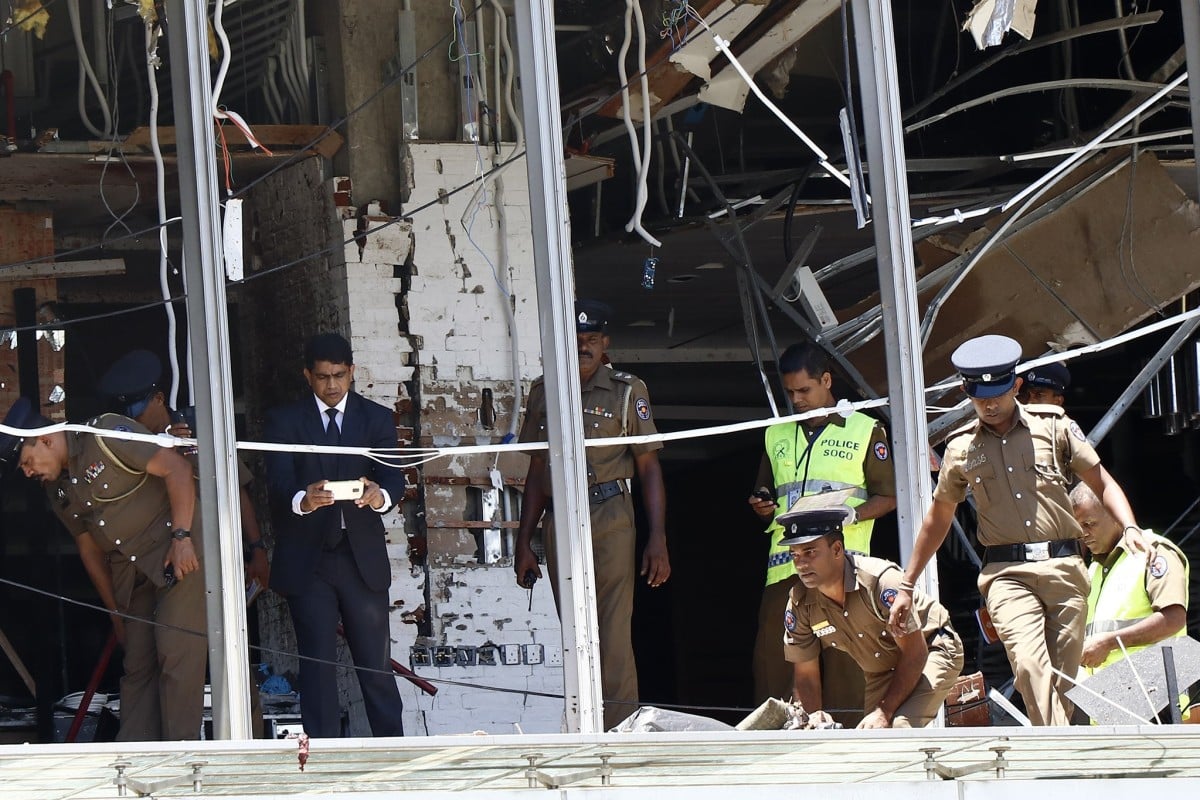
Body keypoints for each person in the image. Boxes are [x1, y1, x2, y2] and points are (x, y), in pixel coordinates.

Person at [889, 334, 1144, 726]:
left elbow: (1102, 482)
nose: (990, 404)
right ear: (966, 391)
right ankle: (1060, 752)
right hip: (1007, 576)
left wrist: (1129, 527)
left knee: (1061, 683)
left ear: (1017, 386)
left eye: (998, 393)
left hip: (1063, 570)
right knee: (1028, 666)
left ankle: (1059, 763)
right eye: (980, 396)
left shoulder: (1054, 426)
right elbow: (938, 518)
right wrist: (907, 583)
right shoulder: (961, 448)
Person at [2, 396, 207, 740]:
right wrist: (114, 611)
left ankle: (181, 761)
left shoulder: (105, 434)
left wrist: (183, 537)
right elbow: (88, 549)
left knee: (175, 654)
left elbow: (178, 469)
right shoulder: (57, 488)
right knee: (137, 665)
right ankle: (134, 763)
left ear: (47, 440)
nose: (27, 472)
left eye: (26, 461)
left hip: (174, 555)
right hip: (132, 576)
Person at [513, 299, 670, 731]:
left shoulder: (626, 390)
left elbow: (649, 465)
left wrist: (658, 538)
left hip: (610, 513)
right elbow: (537, 468)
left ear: (606, 344)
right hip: (560, 517)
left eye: (592, 339)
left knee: (613, 631)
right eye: (576, 339)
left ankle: (619, 732)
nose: (584, 346)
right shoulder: (544, 391)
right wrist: (524, 541)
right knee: (574, 631)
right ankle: (584, 727)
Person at [97, 348, 269, 737]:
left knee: (232, 657)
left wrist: (256, 549)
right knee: (168, 660)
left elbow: (237, 490)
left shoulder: (198, 426)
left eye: (139, 411)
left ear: (159, 399)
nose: (134, 421)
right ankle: (167, 754)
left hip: (216, 561)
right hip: (162, 570)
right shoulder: (131, 442)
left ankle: (253, 744)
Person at [263, 332, 405, 738]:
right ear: (307, 375)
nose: (331, 386)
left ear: (352, 373)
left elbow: (393, 479)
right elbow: (277, 487)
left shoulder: (376, 418)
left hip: (362, 559)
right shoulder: (284, 420)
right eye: (323, 377)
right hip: (311, 561)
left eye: (339, 376)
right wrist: (302, 501)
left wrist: (379, 496)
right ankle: (322, 758)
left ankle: (392, 754)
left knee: (375, 664)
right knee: (318, 665)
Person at [747, 342, 896, 709]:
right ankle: (777, 750)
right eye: (790, 392)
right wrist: (761, 505)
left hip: (845, 572)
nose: (797, 400)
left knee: (850, 668)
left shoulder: (864, 428)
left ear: (826, 381)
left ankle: (854, 751)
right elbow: (764, 494)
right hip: (786, 570)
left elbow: (890, 496)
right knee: (775, 668)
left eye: (804, 390)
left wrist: (853, 515)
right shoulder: (776, 434)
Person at [781, 508, 963, 728]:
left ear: (837, 549)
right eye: (795, 555)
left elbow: (915, 654)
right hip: (881, 669)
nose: (800, 564)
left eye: (810, 552)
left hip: (931, 647)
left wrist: (884, 711)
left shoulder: (880, 582)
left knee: (898, 728)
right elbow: (806, 675)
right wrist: (813, 718)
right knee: (870, 740)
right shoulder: (800, 604)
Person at [1069, 483, 1189, 692]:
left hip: (1156, 696)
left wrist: (1109, 642)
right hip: (1110, 702)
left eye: (1090, 523)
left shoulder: (1151, 551)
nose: (1084, 533)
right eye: (1078, 526)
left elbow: (1174, 619)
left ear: (1116, 515)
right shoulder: (1094, 570)